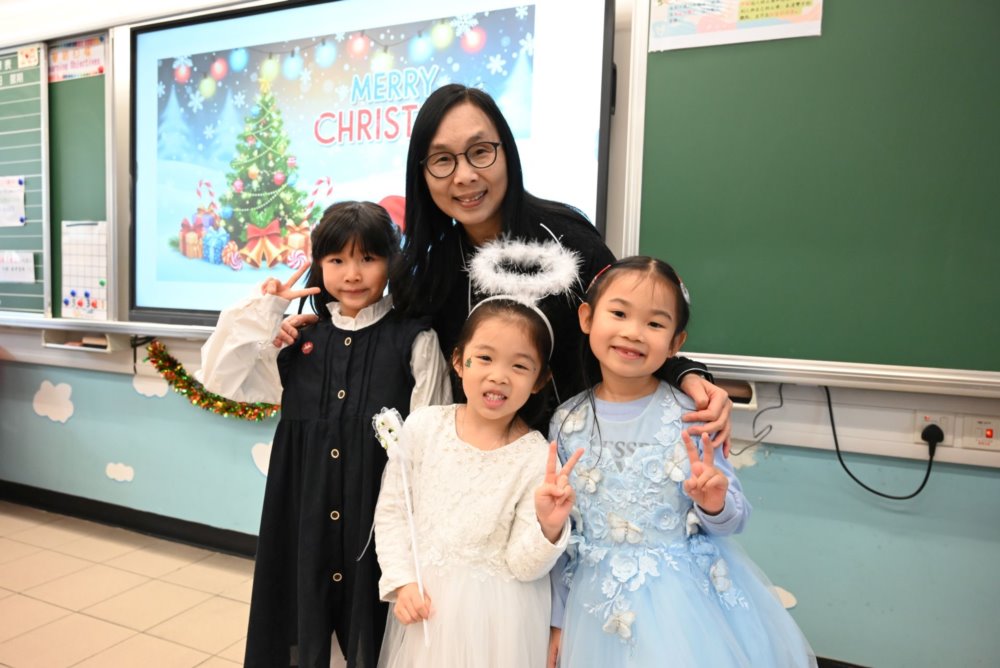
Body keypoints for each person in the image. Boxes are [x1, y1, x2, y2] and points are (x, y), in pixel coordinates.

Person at [279, 83, 733, 446]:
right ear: (422, 173)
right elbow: (389, 351)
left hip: (578, 465)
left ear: (506, 152)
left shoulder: (568, 240)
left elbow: (629, 322)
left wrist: (684, 373)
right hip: (479, 477)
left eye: (480, 152)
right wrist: (312, 330)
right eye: (442, 160)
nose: (464, 176)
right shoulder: (427, 271)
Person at [198, 201, 452, 668]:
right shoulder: (297, 341)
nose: (352, 274)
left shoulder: (415, 340)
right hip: (304, 520)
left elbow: (433, 447)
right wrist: (266, 311)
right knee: (306, 628)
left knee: (376, 638)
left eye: (368, 258)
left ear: (391, 262)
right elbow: (220, 377)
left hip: (379, 525)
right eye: (337, 260)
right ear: (318, 264)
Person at [547, 257, 816, 667]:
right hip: (593, 603)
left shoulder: (693, 414)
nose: (633, 332)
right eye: (619, 313)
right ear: (587, 318)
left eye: (655, 324)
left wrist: (714, 504)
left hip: (685, 603)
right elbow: (566, 531)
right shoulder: (566, 422)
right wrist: (557, 618)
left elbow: (733, 519)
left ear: (676, 343)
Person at [373, 297, 585, 668]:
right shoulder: (424, 427)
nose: (499, 376)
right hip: (428, 606)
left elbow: (524, 566)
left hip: (501, 622)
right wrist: (401, 581)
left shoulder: (536, 456)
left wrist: (548, 527)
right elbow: (393, 511)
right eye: (485, 358)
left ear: (540, 380)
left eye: (519, 366)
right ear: (458, 361)